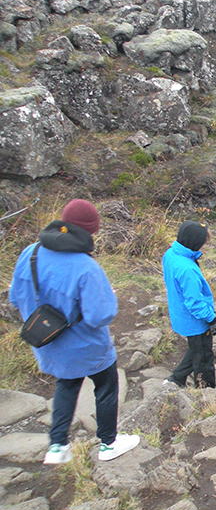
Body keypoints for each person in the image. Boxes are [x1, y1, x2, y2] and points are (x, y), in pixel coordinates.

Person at [8, 199, 140, 464]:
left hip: (48, 343)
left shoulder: (31, 253)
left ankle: (57, 447)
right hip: (88, 346)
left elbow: (15, 297)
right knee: (106, 387)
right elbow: (100, 316)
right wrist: (108, 296)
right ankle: (108, 443)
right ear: (90, 231)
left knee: (66, 385)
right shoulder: (86, 268)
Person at [163, 221, 216, 389]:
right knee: (203, 358)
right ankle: (206, 393)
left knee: (195, 348)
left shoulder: (171, 254)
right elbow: (194, 303)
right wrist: (212, 319)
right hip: (195, 321)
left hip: (180, 314)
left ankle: (177, 378)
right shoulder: (187, 269)